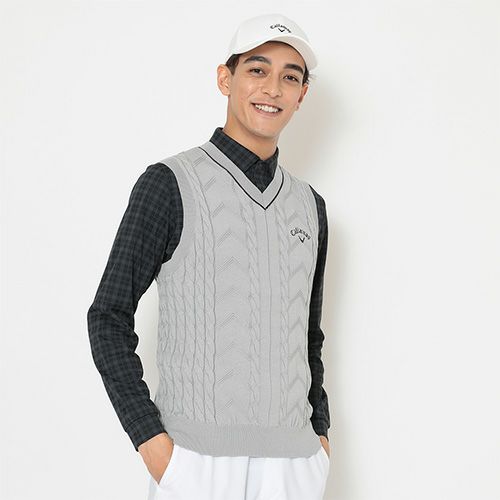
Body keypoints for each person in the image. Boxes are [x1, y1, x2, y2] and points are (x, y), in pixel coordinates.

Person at [87, 12, 331, 500]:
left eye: (290, 77)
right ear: (225, 79)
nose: (273, 88)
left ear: (302, 95)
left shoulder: (310, 206)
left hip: (295, 467)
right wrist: (152, 443)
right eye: (257, 70)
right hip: (195, 463)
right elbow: (108, 316)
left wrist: (320, 438)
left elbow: (307, 337)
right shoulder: (169, 184)